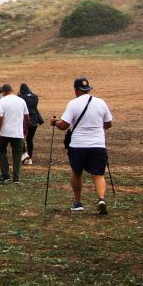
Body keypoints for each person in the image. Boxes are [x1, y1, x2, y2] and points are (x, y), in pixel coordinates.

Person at [51, 77, 113, 214]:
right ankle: (101, 199)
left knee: (76, 172)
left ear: (76, 90)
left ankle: (78, 202)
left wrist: (55, 122)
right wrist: (95, 126)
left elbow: (64, 125)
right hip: (98, 144)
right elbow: (108, 124)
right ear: (88, 89)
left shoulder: (73, 104)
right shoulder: (101, 102)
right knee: (98, 174)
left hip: (78, 145)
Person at [0, 83, 29, 183]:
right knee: (17, 154)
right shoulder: (21, 100)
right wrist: (25, 129)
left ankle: (5, 175)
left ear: (3, 92)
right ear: (12, 90)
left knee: (1, 151)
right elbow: (27, 117)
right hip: (18, 132)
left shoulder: (2, 101)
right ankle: (16, 177)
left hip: (4, 132)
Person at [18, 83, 44, 165]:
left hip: (24, 120)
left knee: (21, 138)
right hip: (35, 120)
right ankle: (30, 157)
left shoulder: (21, 98)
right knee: (30, 139)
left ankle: (24, 154)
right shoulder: (35, 97)